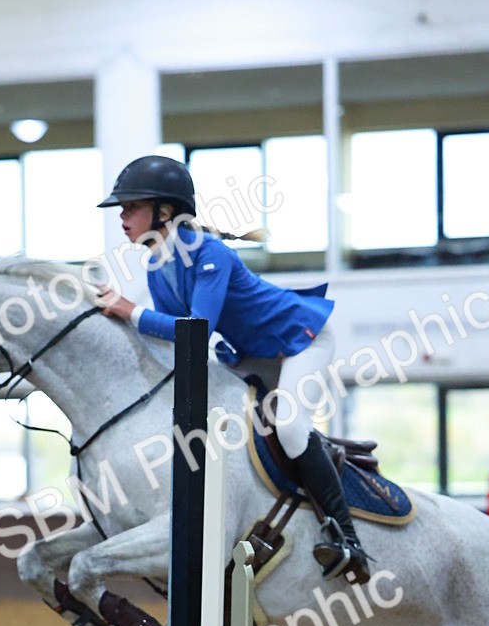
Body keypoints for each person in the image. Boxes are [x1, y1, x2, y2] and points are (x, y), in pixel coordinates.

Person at [95, 154, 370, 584]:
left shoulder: (212, 253)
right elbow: (175, 343)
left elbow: (196, 329)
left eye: (131, 207)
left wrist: (128, 312)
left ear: (164, 211)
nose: (124, 217)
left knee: (292, 427)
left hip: (301, 340)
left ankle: (346, 537)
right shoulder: (155, 265)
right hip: (252, 352)